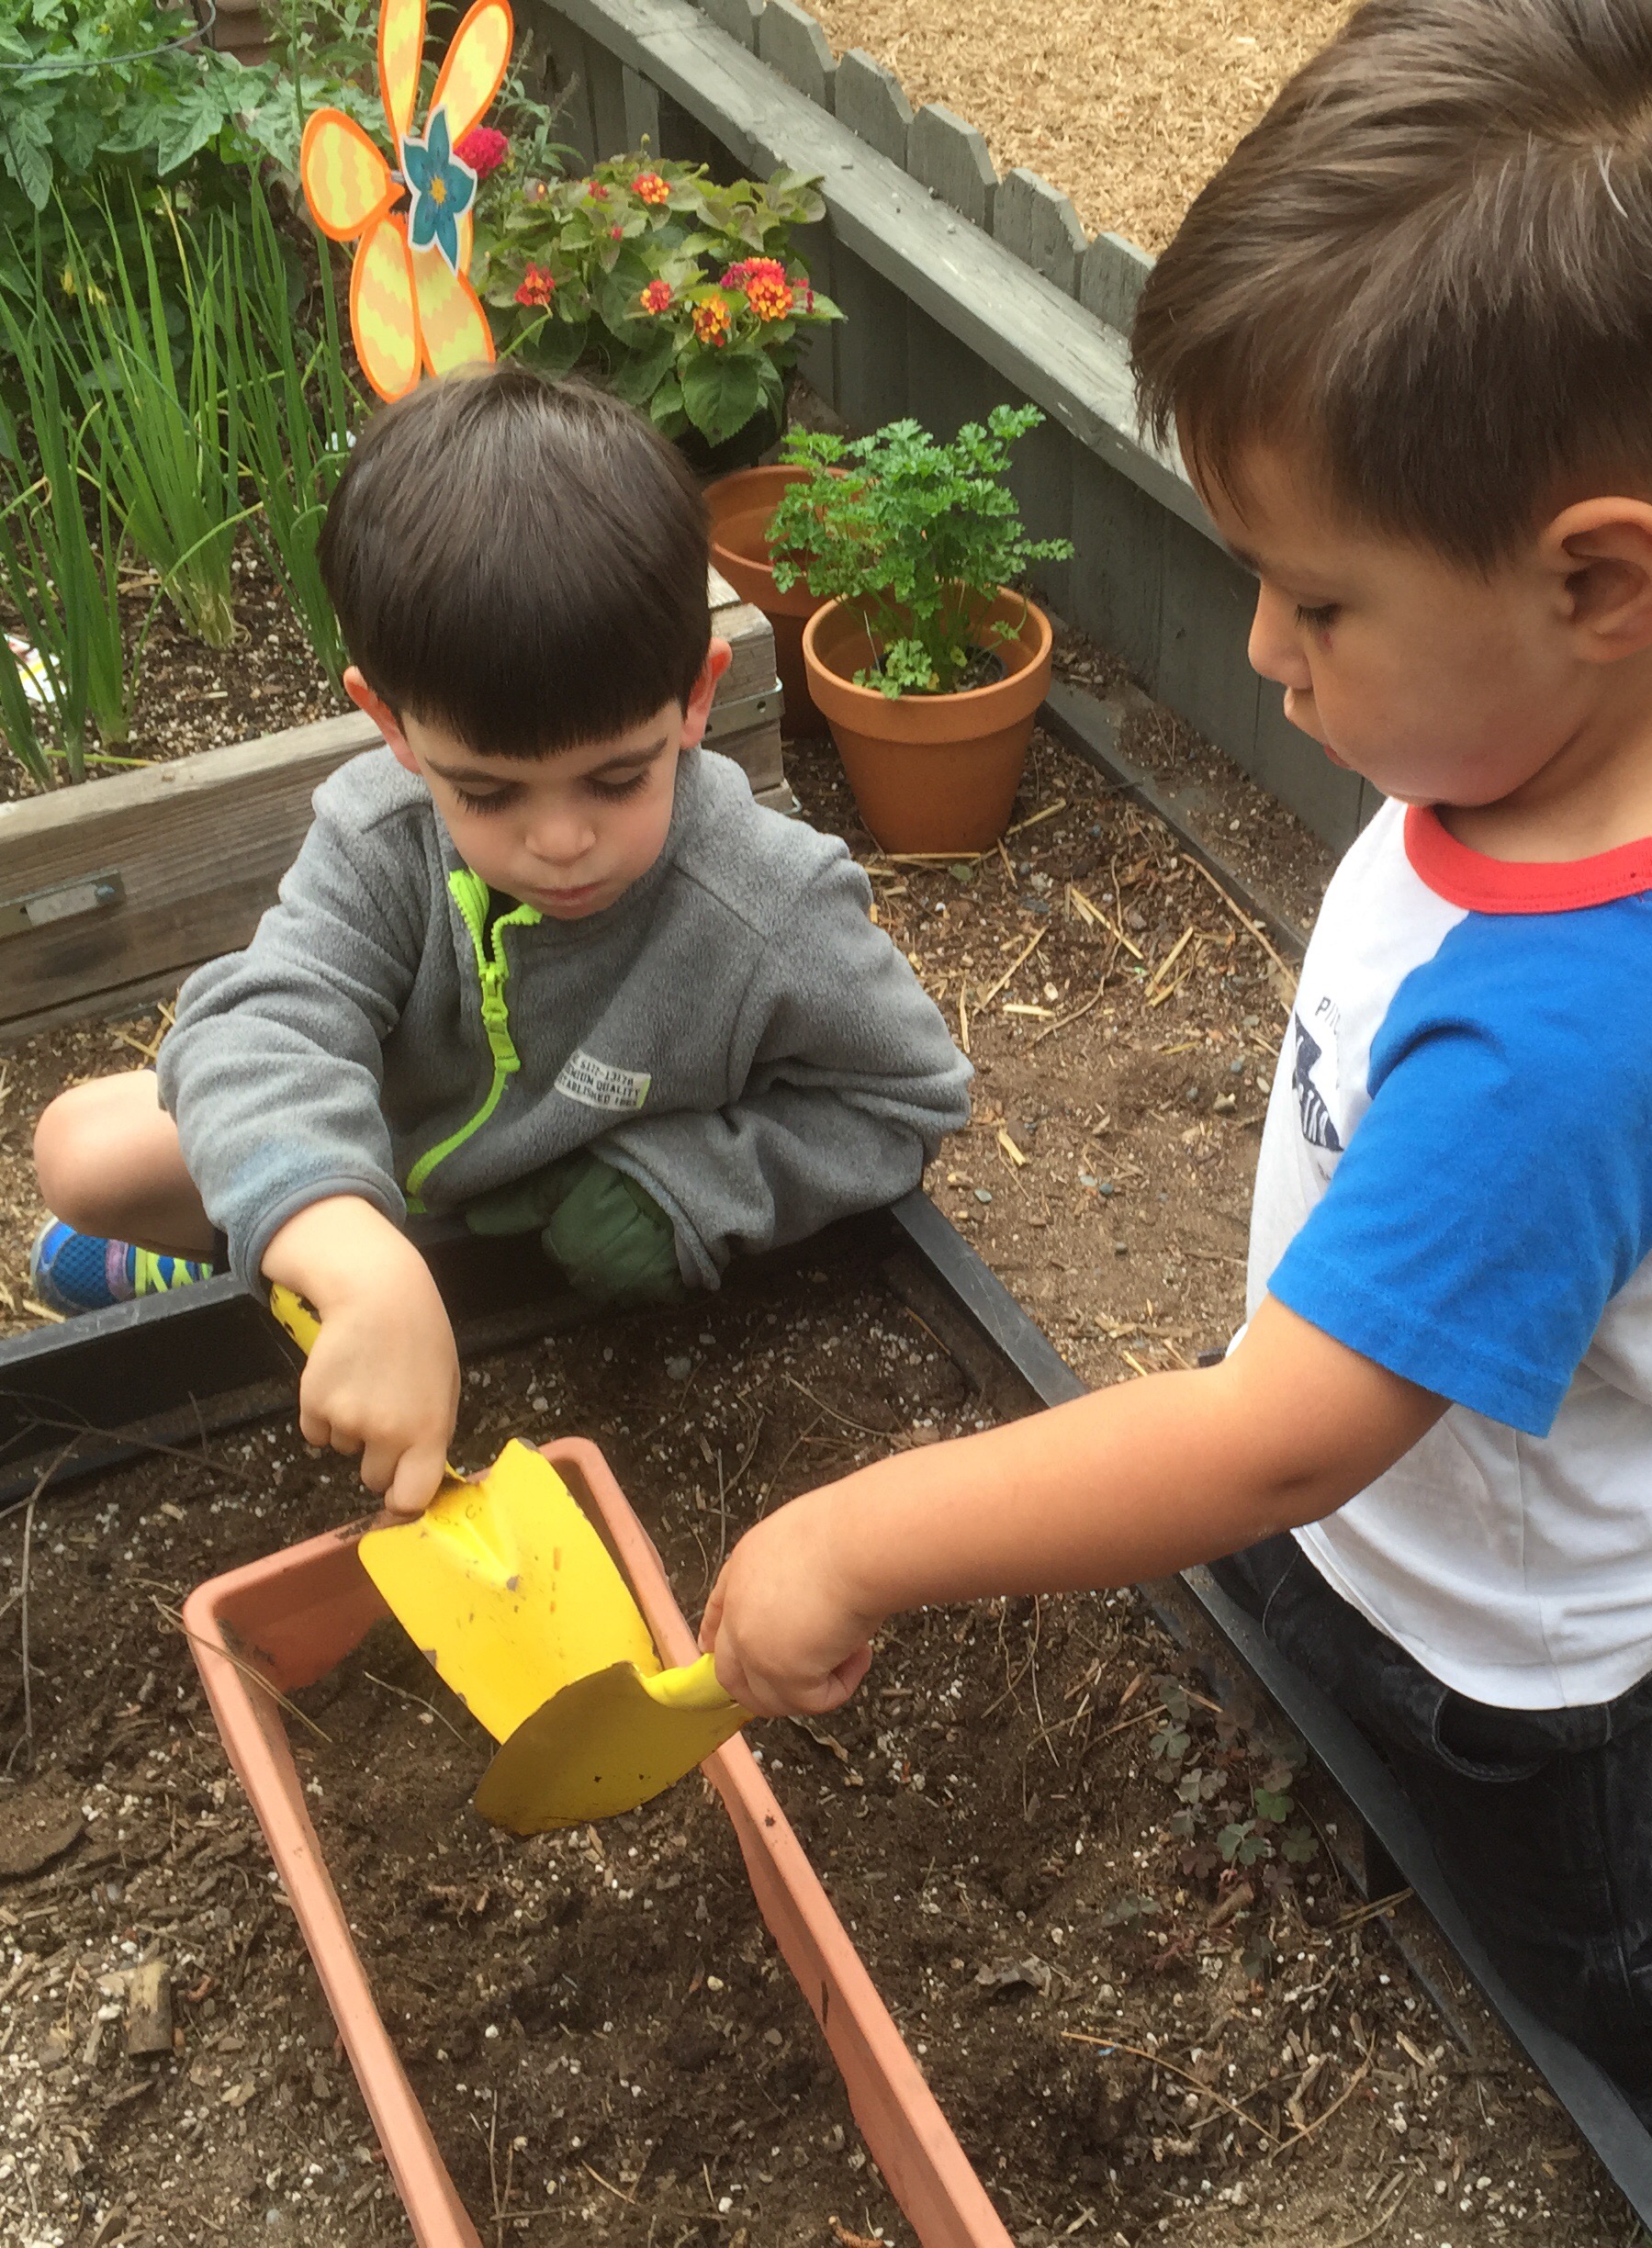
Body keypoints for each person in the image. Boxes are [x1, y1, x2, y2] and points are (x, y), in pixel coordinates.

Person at [696, 0, 1652, 2237]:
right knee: (1323, 1769)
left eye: (1321, 597)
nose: (1262, 646)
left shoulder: (1565, 1031)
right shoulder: (1562, 743)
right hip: (1391, 1513)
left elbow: (1270, 1439)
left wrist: (856, 1535)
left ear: (1601, 579)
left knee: (1651, 2027)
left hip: (1507, 1672)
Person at [31, 367, 971, 1515]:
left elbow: (906, 1098)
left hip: (552, 1209)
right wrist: (349, 1249)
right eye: (487, 794)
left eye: (616, 780)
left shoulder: (769, 904)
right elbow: (260, 1023)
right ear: (392, 727)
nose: (561, 843)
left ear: (696, 696)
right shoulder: (383, 837)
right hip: (388, 1168)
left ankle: (275, 1248)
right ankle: (266, 1244)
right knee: (81, 1150)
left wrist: (688, 1189)